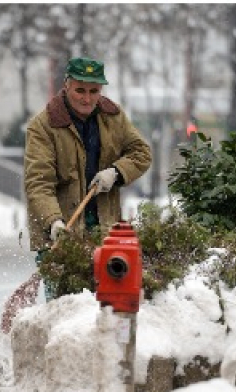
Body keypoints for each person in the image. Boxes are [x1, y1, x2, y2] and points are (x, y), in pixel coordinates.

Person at [23, 57, 153, 256]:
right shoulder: (43, 126)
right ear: (67, 86)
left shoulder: (114, 117)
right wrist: (53, 221)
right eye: (80, 90)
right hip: (60, 232)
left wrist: (116, 172)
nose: (87, 99)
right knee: (64, 288)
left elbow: (142, 153)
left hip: (104, 230)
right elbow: (38, 183)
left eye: (94, 91)